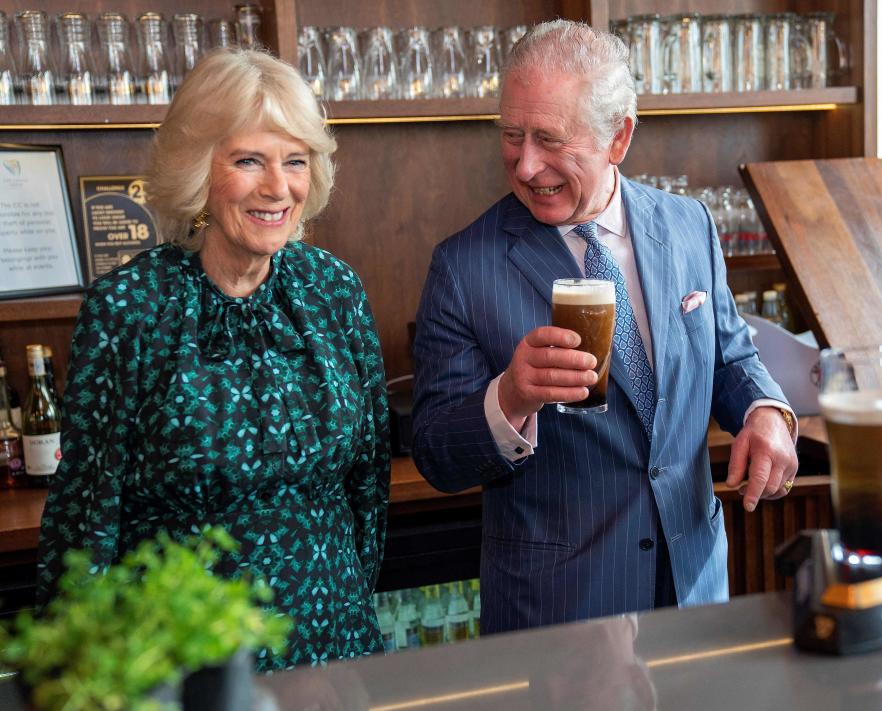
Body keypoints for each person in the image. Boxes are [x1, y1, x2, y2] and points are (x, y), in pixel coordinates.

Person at [412, 21, 798, 634]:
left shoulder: (688, 223)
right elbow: (437, 455)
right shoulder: (463, 266)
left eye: (549, 139)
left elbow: (730, 358)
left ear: (618, 137)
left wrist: (767, 412)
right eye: (512, 136)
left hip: (696, 591)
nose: (527, 164)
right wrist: (509, 398)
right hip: (558, 618)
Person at [35, 49, 390, 669]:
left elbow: (368, 481)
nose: (278, 188)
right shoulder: (130, 308)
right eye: (249, 160)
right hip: (187, 655)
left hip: (335, 643)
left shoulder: (333, 289)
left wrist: (354, 608)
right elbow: (85, 516)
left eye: (295, 162)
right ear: (200, 171)